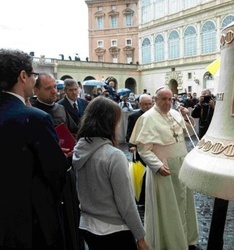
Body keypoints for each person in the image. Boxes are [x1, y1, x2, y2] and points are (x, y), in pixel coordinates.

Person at [0, 48, 69, 249]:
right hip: (30, 221)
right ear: (23, 76)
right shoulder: (35, 118)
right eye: (33, 75)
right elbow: (56, 174)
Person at [72, 96, 148, 250]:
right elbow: (126, 203)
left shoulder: (80, 148)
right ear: (109, 123)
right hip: (113, 230)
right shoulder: (113, 155)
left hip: (87, 224)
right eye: (117, 122)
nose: (118, 127)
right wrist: (140, 236)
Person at [129, 87, 199, 250]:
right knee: (167, 208)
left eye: (170, 99)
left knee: (184, 203)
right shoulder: (147, 118)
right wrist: (157, 165)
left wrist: (186, 116)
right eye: (164, 99)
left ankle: (187, 239)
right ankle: (170, 243)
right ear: (156, 99)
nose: (168, 103)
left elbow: (186, 130)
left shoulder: (175, 114)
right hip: (164, 169)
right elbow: (143, 149)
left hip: (181, 166)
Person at [30, 73, 82, 250]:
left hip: (66, 171)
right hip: (45, 178)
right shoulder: (32, 111)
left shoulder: (60, 109)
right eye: (48, 88)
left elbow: (73, 130)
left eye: (55, 87)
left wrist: (73, 143)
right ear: (35, 90)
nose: (54, 91)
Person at [125, 94, 153, 206]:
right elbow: (129, 133)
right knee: (141, 174)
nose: (148, 106)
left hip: (153, 149)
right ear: (139, 104)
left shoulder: (156, 115)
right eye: (145, 104)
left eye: (150, 103)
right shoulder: (134, 116)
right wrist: (131, 146)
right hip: (139, 150)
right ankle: (141, 199)